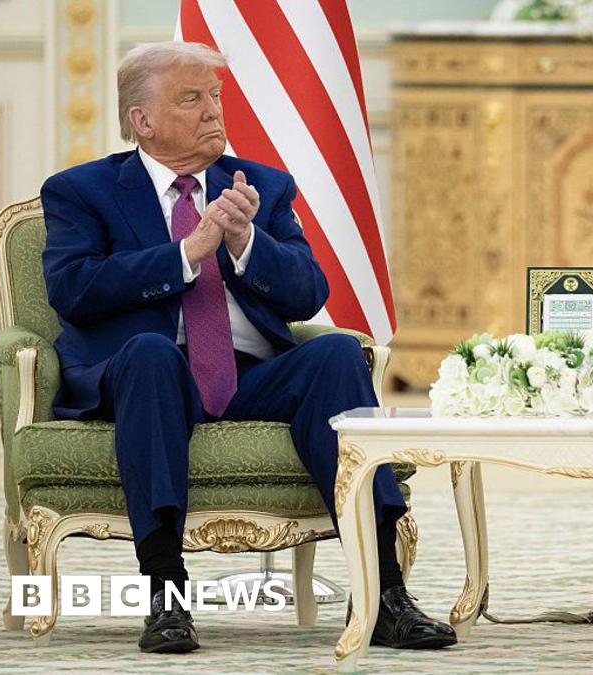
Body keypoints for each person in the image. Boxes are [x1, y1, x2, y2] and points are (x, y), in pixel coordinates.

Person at [40, 41, 456, 654]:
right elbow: (73, 290)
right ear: (143, 121)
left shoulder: (260, 185)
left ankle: (385, 595)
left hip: (249, 375)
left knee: (338, 353)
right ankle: (166, 597)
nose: (214, 112)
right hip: (146, 377)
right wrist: (189, 252)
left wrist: (243, 241)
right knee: (153, 351)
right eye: (191, 99)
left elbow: (308, 293)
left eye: (215, 96)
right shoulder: (82, 191)